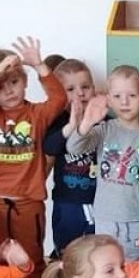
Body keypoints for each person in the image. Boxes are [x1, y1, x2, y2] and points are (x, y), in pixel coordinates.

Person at [0, 36, 67, 278]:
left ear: (24, 81)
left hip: (28, 204)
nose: (9, 91)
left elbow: (59, 98)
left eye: (13, 82)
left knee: (32, 258)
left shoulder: (37, 114)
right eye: (0, 87)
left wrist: (39, 66)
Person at [66, 65, 139, 261]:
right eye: (118, 96)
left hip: (138, 219)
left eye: (132, 95)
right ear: (109, 100)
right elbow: (74, 148)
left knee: (134, 269)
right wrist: (87, 122)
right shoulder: (104, 129)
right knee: (106, 265)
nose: (125, 102)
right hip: (106, 218)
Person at [42, 58, 98, 258]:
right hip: (66, 202)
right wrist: (71, 125)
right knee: (66, 251)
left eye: (85, 87)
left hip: (96, 200)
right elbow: (49, 147)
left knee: (94, 253)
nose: (80, 93)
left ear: (94, 88)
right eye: (71, 89)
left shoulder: (103, 122)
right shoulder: (58, 123)